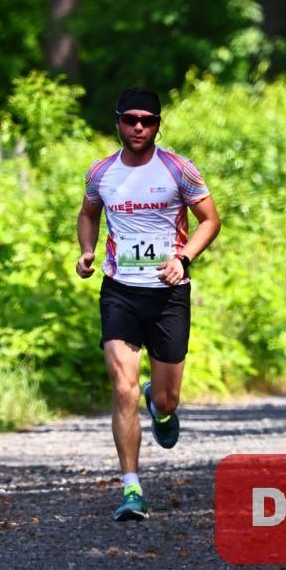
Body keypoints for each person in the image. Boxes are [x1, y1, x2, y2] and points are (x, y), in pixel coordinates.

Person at [75, 86, 221, 521]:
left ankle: (159, 406)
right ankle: (132, 489)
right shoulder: (101, 172)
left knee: (168, 398)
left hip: (169, 293)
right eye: (130, 119)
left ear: (158, 125)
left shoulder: (178, 169)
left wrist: (183, 258)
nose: (138, 127)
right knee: (122, 387)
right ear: (117, 122)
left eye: (148, 120)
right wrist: (87, 250)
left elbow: (210, 220)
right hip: (120, 290)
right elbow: (88, 213)